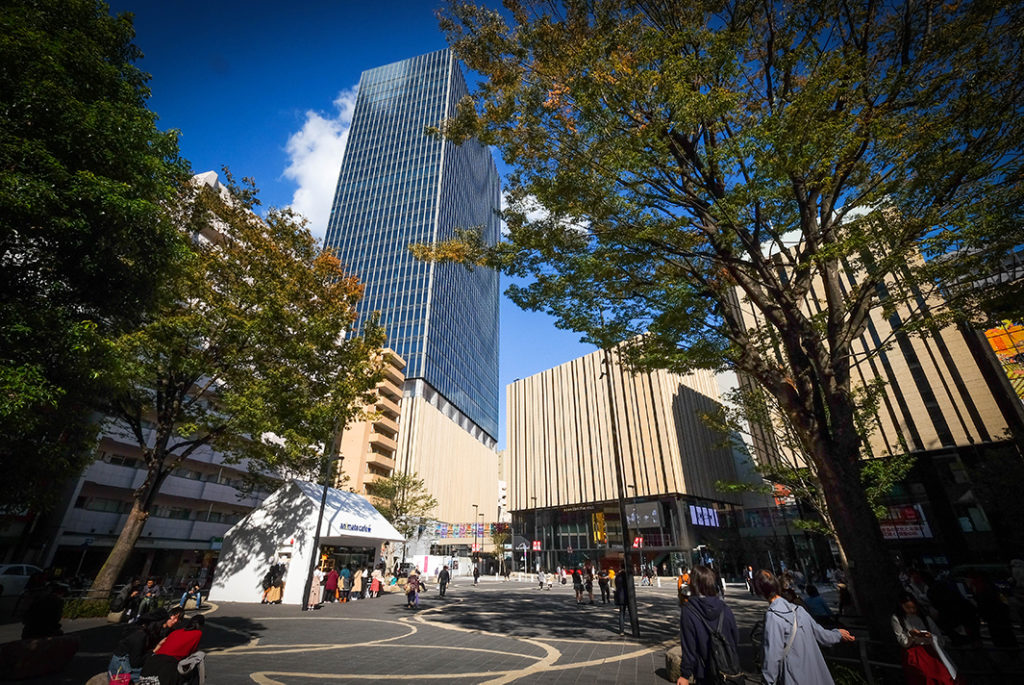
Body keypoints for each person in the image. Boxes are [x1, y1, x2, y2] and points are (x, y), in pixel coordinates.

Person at [753, 569, 855, 685]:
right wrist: (838, 634)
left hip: (794, 677)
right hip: (816, 676)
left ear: (759, 591)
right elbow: (822, 635)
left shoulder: (773, 617)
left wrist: (767, 682)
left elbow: (772, 657)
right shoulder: (798, 610)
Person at [677, 565, 739, 685]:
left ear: (693, 583)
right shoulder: (725, 608)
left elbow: (689, 646)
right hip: (728, 670)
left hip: (703, 670)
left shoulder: (688, 611)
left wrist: (685, 674)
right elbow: (735, 637)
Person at [892, 593, 957, 685]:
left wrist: (930, 637)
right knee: (925, 677)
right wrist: (911, 636)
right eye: (907, 607)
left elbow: (939, 636)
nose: (911, 610)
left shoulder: (924, 617)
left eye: (913, 607)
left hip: (931, 650)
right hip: (913, 653)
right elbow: (903, 642)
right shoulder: (898, 619)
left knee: (945, 677)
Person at [108, 607, 182, 682]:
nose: (175, 621)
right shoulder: (140, 635)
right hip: (122, 667)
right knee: (155, 677)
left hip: (130, 662)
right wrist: (156, 649)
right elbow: (135, 663)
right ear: (156, 623)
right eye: (164, 624)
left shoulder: (151, 632)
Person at [140, 614, 205, 685]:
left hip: (153, 662)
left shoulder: (176, 632)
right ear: (201, 626)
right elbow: (192, 653)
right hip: (170, 666)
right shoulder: (198, 634)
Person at [614, 567, 633, 634]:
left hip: (620, 596)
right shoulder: (627, 575)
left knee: (621, 613)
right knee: (632, 613)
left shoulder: (617, 576)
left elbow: (616, 585)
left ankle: (621, 630)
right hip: (628, 596)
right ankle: (634, 629)